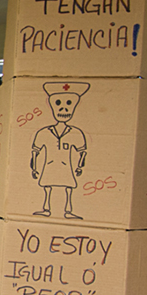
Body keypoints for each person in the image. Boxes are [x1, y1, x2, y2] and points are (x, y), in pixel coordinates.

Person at [31, 82, 90, 219]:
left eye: (69, 105)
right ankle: (46, 208)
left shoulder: (75, 132)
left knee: (68, 188)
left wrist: (80, 165)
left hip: (66, 167)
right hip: (49, 166)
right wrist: (34, 168)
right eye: (58, 104)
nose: (63, 110)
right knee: (47, 187)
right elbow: (35, 152)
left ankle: (68, 211)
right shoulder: (44, 132)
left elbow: (82, 151)